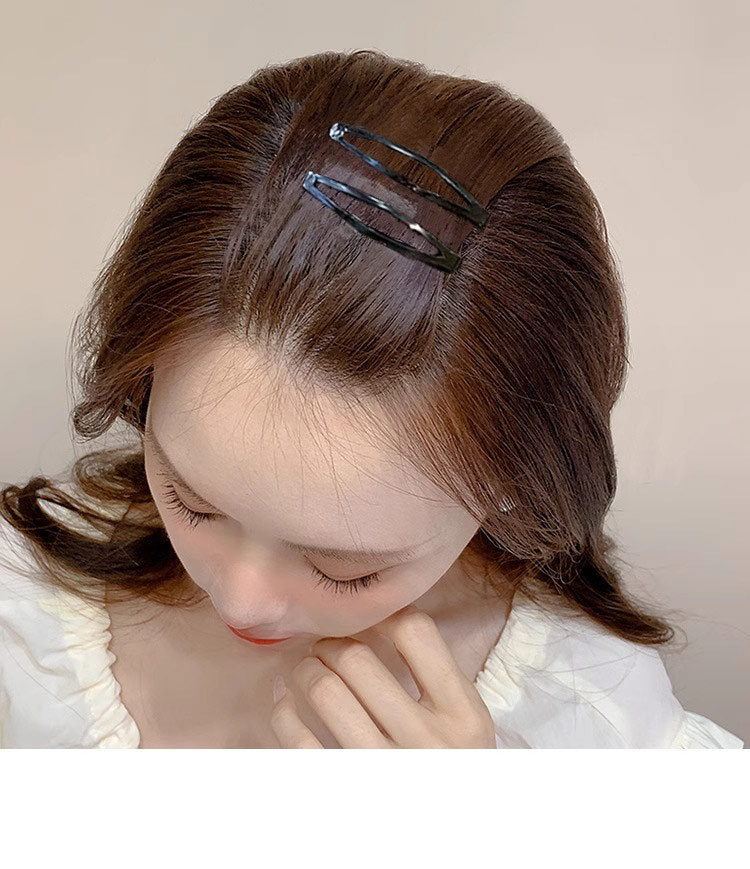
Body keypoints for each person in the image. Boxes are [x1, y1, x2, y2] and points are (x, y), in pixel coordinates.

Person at [0, 48, 742, 749]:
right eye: (190, 499)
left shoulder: (594, 712)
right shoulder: (22, 605)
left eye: (345, 569)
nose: (242, 600)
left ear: (508, 488)